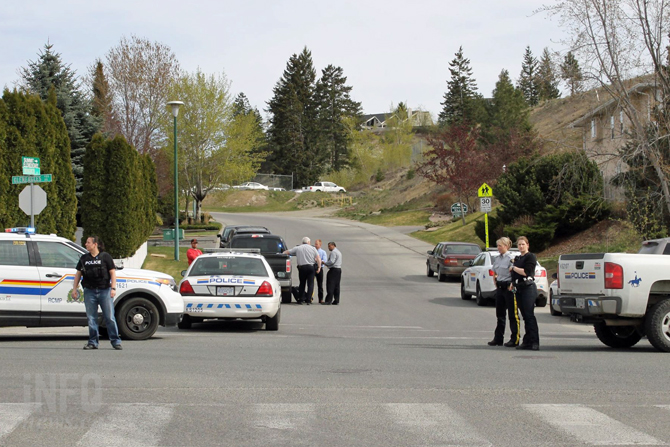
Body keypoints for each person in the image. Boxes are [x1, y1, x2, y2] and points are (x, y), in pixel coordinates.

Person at [72, 236, 122, 350]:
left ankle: (115, 341)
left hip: (105, 291)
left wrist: (113, 288)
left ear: (95, 244)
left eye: (88, 242)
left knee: (109, 317)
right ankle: (93, 342)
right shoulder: (84, 258)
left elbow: (112, 273)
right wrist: (75, 289)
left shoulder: (105, 257)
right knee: (91, 318)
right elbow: (78, 274)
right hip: (89, 291)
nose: (86, 244)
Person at [488, 237, 520, 347]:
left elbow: (514, 273)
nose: (498, 248)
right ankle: (498, 338)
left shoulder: (511, 258)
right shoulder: (497, 258)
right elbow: (495, 272)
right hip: (500, 288)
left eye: (500, 246)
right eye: (497, 246)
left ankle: (514, 339)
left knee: (512, 314)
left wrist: (512, 284)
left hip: (509, 288)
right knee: (500, 314)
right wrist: (495, 282)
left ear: (506, 246)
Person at [510, 236, 540, 351]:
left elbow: (526, 272)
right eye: (519, 244)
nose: (521, 246)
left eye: (523, 244)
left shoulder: (530, 257)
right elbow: (515, 275)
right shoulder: (518, 258)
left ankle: (534, 342)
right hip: (519, 288)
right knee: (524, 316)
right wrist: (512, 283)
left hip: (528, 288)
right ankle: (527, 341)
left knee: (529, 315)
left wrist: (514, 268)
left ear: (527, 245)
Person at [283, 237, 321, 305]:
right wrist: (319, 267)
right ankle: (309, 300)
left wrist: (282, 253)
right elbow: (318, 258)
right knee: (310, 284)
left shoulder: (298, 248)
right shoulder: (313, 248)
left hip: (302, 268)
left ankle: (300, 299)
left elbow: (287, 252)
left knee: (302, 283)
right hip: (311, 267)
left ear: (302, 242)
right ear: (308, 242)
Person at [313, 239, 328, 303]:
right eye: (315, 244)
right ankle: (310, 297)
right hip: (313, 268)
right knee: (311, 284)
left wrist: (319, 260)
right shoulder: (313, 251)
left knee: (320, 284)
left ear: (320, 245)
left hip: (320, 268)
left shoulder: (323, 252)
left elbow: (324, 260)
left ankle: (321, 298)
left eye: (317, 244)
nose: (315, 245)